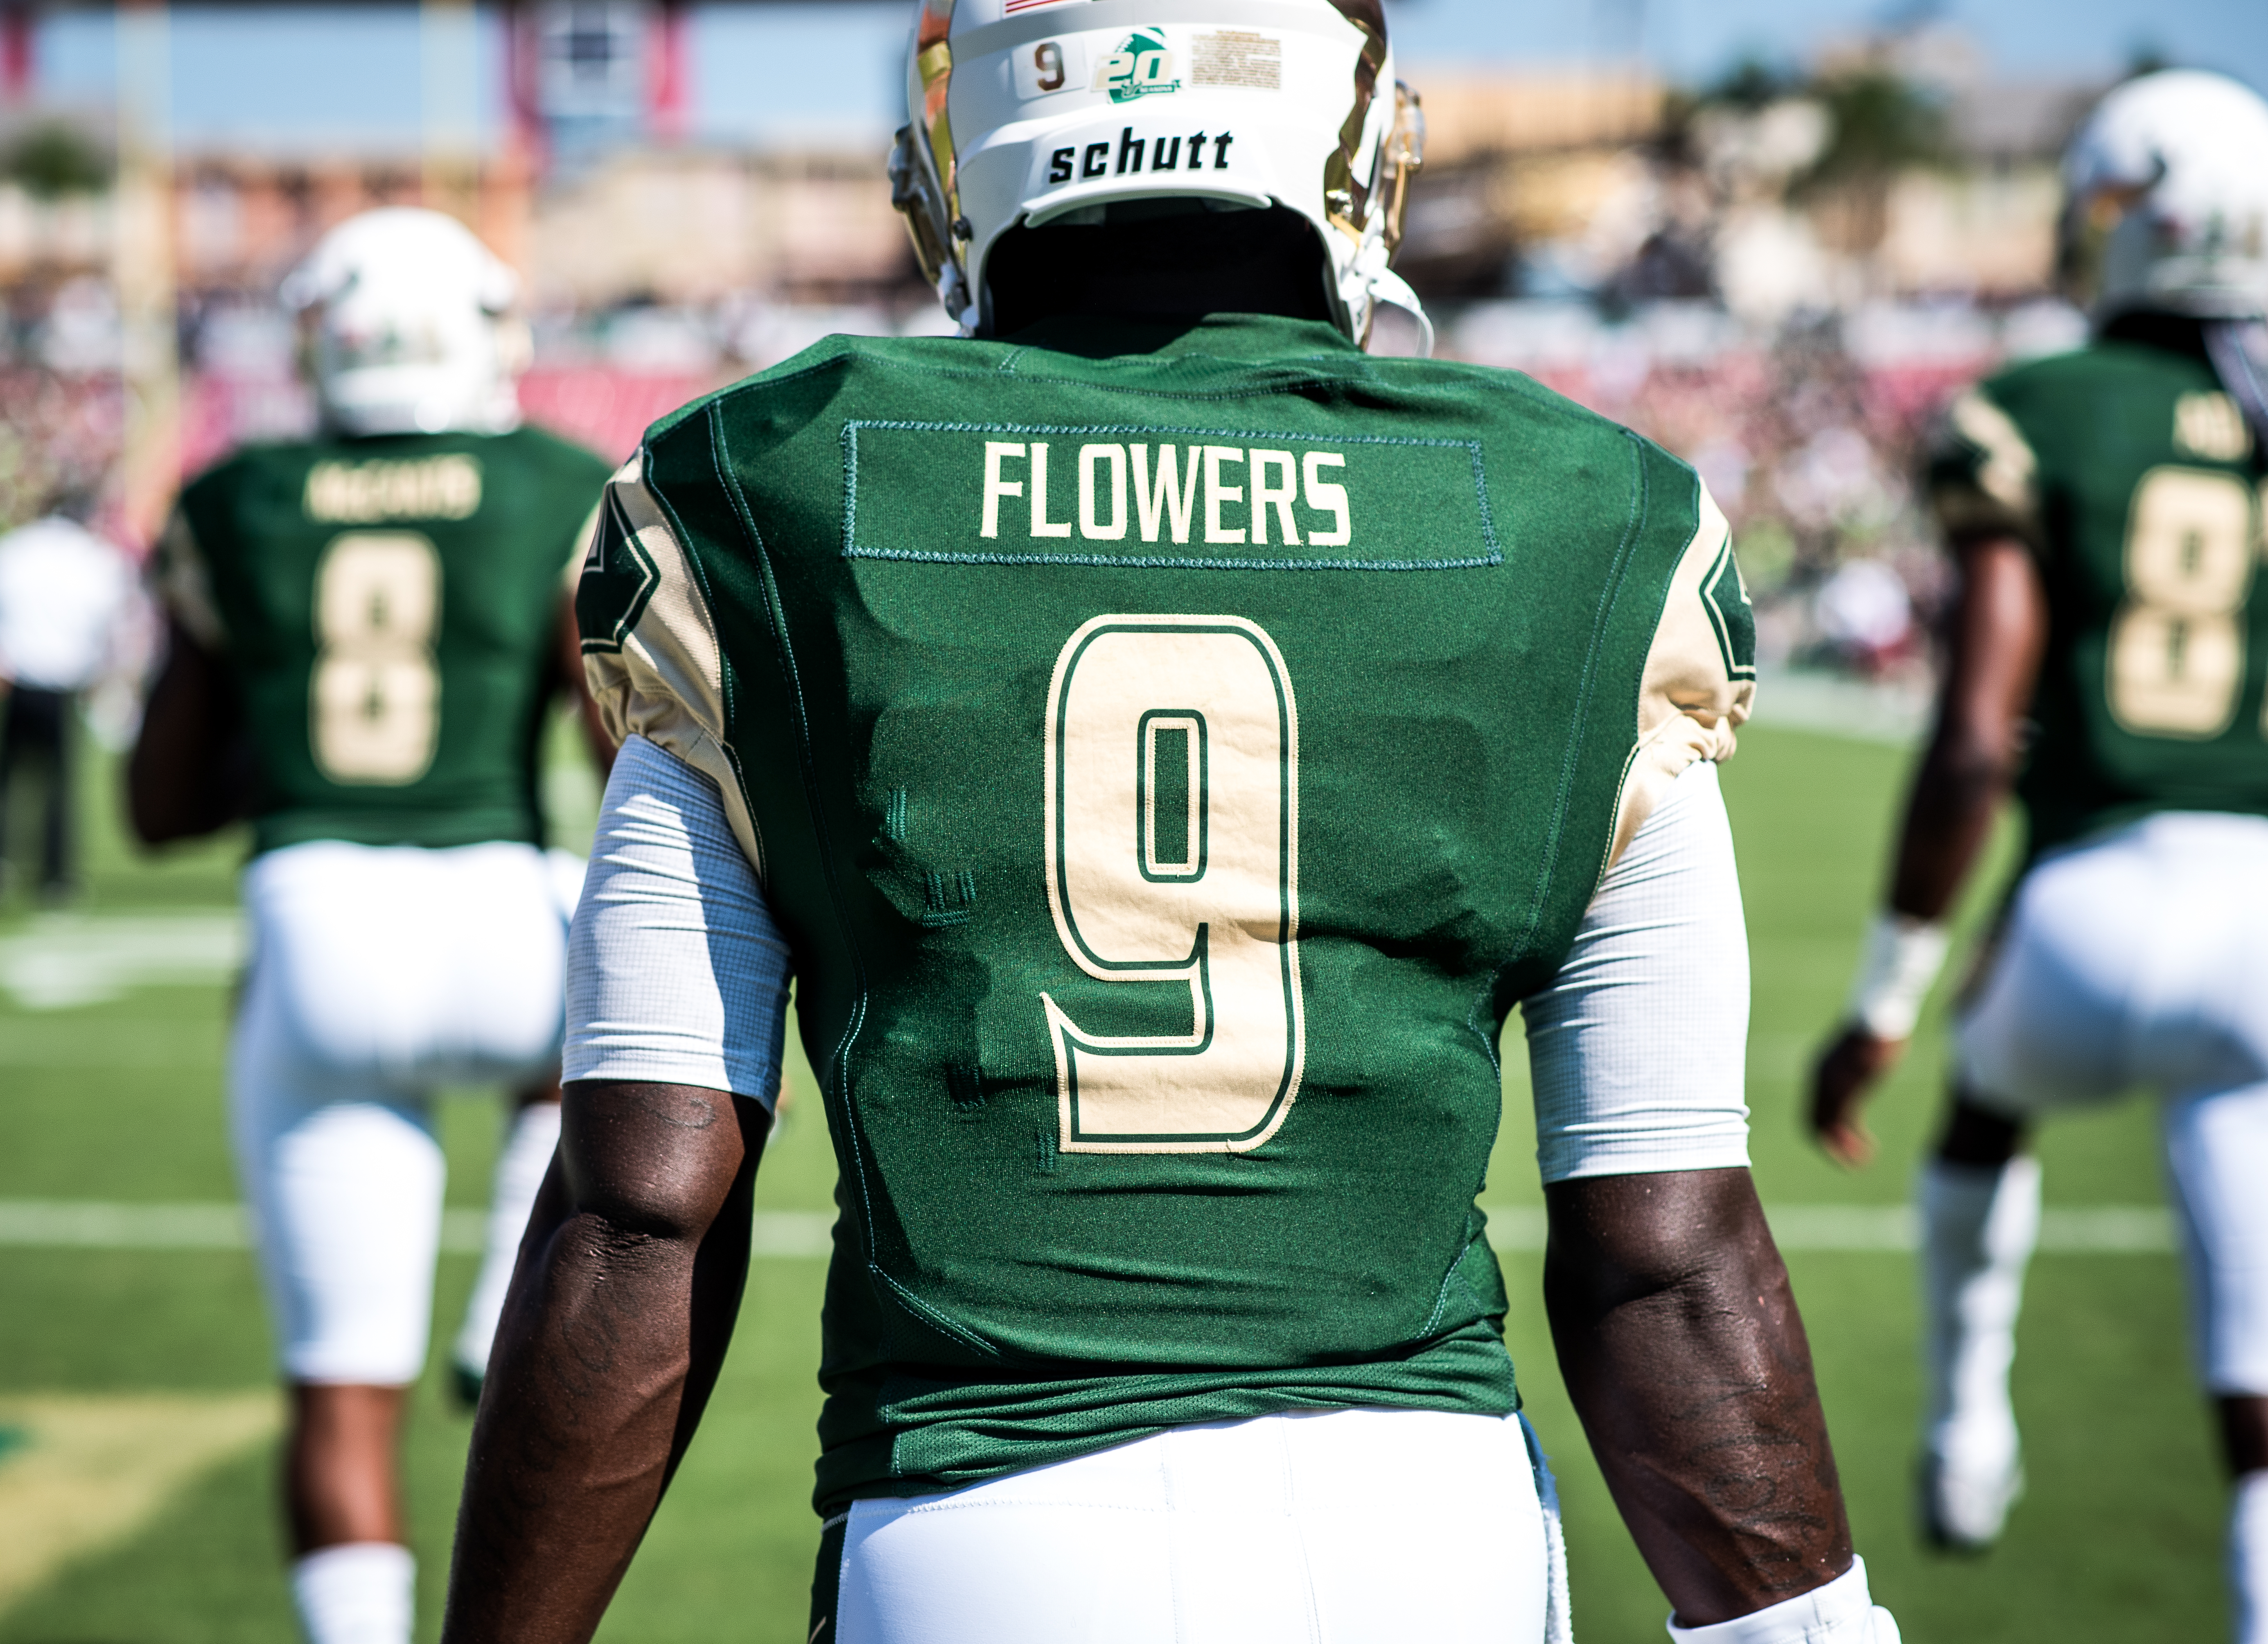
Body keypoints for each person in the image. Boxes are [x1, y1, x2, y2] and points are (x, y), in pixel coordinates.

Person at [445, 4, 1900, 1641]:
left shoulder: (768, 486)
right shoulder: (1587, 514)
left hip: (978, 1528)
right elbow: (1668, 1243)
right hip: (1424, 1525)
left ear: (968, 151)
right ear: (1348, 141)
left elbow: (638, 1201)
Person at [1806, 67, 2268, 1635]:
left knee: (1975, 1116)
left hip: (2084, 901)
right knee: (2254, 1396)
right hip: (2260, 929)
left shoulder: (2034, 406)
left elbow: (1969, 737)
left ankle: (1963, 1425)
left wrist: (1879, 1000)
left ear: (2121, 218)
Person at [125, 207, 617, 1644]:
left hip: (312, 921)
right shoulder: (551, 482)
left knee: (341, 1385)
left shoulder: (238, 495)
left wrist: (288, 734)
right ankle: (506, 1294)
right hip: (493, 911)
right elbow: (610, 756)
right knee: (598, 934)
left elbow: (156, 804)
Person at [0, 495, 133, 908]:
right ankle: (56, 875)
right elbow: (110, 619)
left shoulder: (11, 548)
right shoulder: (95, 559)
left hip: (14, 676)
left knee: (1, 780)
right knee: (59, 785)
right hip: (63, 682)